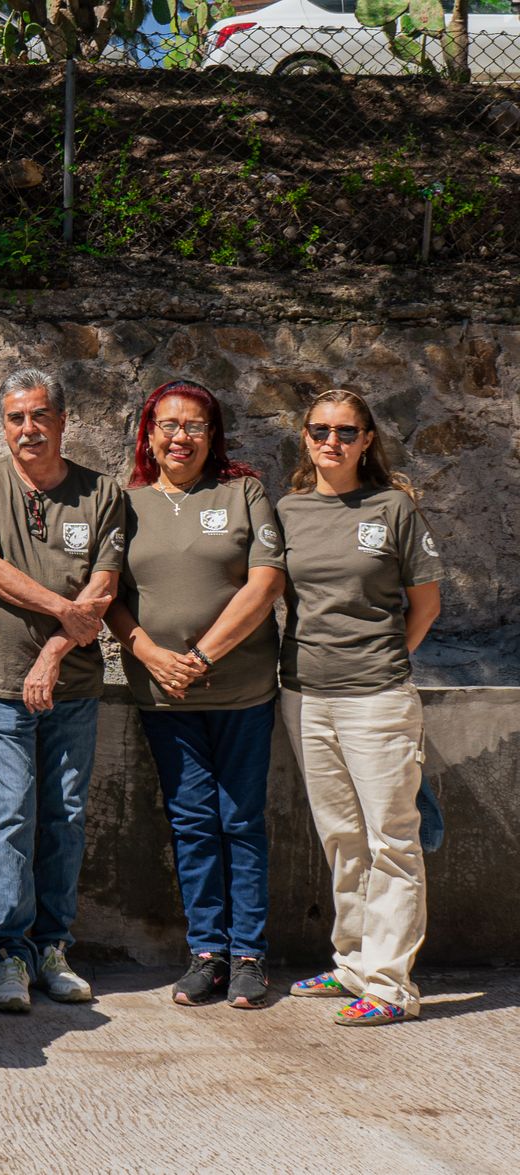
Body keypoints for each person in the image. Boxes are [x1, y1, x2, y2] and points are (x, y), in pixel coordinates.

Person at [105, 380, 285, 1009]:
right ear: (148, 436)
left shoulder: (245, 493)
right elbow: (110, 599)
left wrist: (204, 655)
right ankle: (207, 953)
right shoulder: (125, 505)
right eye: (168, 425)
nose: (180, 437)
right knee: (192, 823)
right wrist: (152, 655)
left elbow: (266, 582)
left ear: (214, 436)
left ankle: (249, 957)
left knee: (240, 820)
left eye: (195, 426)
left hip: (242, 692)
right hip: (165, 697)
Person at [0, 368, 125, 1013]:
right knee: (14, 815)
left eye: (39, 416)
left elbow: (104, 587)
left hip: (73, 683)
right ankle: (11, 955)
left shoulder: (101, 492)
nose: (28, 429)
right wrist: (64, 610)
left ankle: (54, 947)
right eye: (15, 418)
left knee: (67, 818)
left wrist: (55, 649)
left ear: (61, 419)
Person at [277, 389, 442, 1027]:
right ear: (306, 437)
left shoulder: (393, 508)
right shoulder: (287, 510)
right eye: (320, 430)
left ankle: (392, 985)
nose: (332, 442)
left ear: (367, 440)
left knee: (392, 841)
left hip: (377, 697)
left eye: (347, 431)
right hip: (305, 695)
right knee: (342, 839)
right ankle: (351, 963)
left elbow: (424, 605)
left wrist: (382, 662)